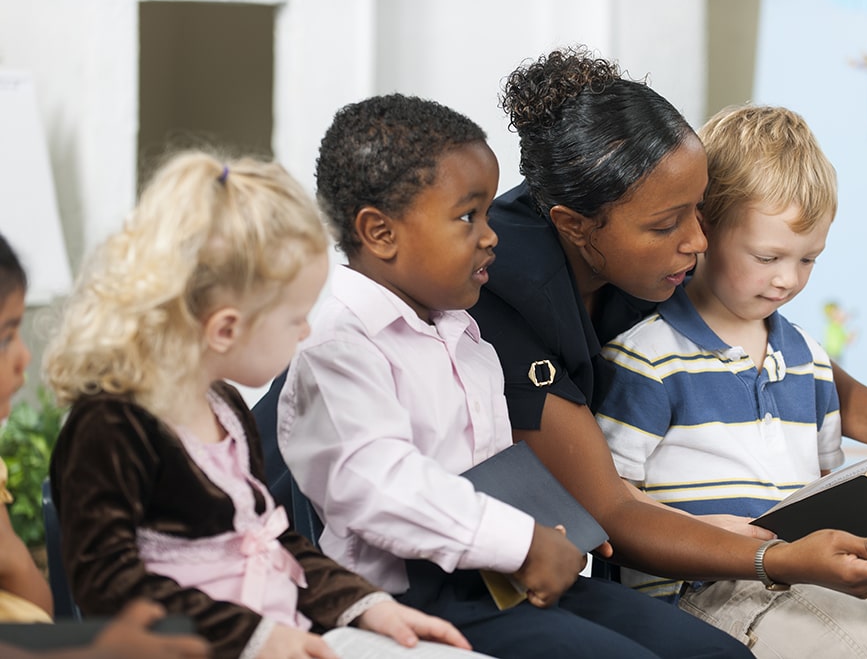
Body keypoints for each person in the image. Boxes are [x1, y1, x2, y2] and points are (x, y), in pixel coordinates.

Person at [467, 45, 867, 637]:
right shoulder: (510, 308)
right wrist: (779, 559)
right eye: (669, 224)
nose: (699, 242)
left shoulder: (657, 250)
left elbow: (782, 355)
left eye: (700, 212)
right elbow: (612, 506)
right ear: (575, 227)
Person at [277, 93, 752, 659]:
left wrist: (555, 523)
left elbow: (491, 464)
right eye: (466, 217)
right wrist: (520, 540)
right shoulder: (339, 344)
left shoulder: (463, 334)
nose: (490, 234)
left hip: (508, 576)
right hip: (420, 596)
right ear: (380, 233)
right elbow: (384, 486)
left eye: (485, 214)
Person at [596, 104, 867, 657]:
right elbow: (613, 506)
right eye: (768, 256)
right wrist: (725, 537)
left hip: (810, 577)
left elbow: (824, 493)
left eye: (808, 260)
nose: (788, 279)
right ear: (703, 230)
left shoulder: (807, 358)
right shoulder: (648, 359)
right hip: (703, 588)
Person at [42, 152, 471, 659]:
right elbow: (107, 585)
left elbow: (273, 541)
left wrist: (366, 604)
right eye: (294, 318)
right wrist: (257, 637)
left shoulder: (222, 408)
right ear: (225, 328)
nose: (307, 331)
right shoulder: (110, 427)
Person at [0, 233, 210, 658]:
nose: (23, 357)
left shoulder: (221, 412)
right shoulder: (104, 434)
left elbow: (35, 603)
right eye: (6, 337)